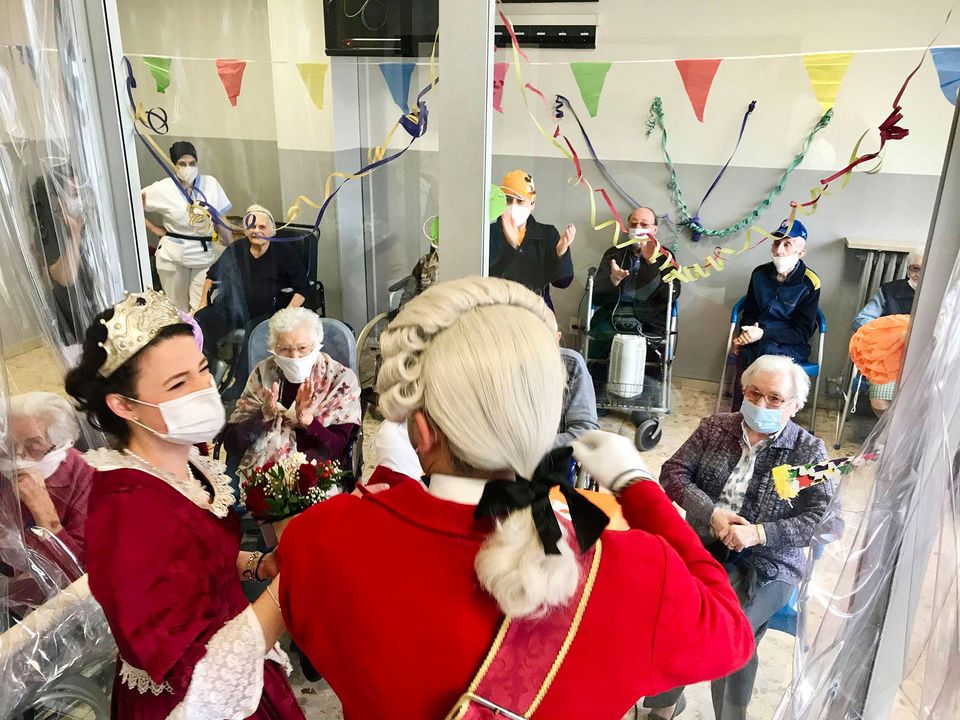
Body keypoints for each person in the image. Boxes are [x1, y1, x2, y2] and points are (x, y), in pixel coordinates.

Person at [278, 277, 753, 719]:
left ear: (420, 432)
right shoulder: (636, 572)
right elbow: (731, 634)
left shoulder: (320, 539)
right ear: (546, 420)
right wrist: (637, 487)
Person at [64, 290, 303, 719]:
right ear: (123, 405)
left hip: (244, 660)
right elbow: (198, 677)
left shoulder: (185, 461)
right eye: (178, 384)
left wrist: (258, 566)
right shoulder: (126, 513)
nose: (203, 388)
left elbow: (194, 561)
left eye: (203, 369)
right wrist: (294, 584)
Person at [646, 354, 833, 720]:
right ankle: (664, 704)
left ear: (795, 406)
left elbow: (823, 520)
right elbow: (673, 473)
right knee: (670, 608)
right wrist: (712, 513)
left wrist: (759, 533)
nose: (761, 404)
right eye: (754, 392)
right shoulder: (716, 427)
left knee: (730, 631)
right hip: (703, 545)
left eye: (775, 398)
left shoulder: (808, 452)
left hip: (768, 562)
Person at [224, 307, 361, 481]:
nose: (294, 356)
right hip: (263, 474)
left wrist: (309, 421)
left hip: (317, 476)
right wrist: (262, 416)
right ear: (274, 348)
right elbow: (232, 444)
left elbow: (339, 449)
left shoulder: (340, 380)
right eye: (284, 349)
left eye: (302, 348)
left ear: (316, 344)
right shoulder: (262, 374)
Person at [194, 204, 308, 394]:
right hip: (231, 309)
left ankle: (241, 384)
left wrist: (286, 314)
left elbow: (302, 289)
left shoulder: (285, 253)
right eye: (252, 226)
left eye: (262, 227)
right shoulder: (236, 249)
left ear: (272, 231)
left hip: (267, 311)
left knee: (255, 331)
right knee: (201, 320)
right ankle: (206, 372)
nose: (256, 231)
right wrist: (202, 303)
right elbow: (211, 276)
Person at [3, 392, 93, 612]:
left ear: (61, 446)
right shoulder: (4, 469)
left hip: (61, 607)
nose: (18, 457)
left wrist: (44, 513)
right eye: (10, 446)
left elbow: (82, 579)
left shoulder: (87, 480)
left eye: (33, 447)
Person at [141, 141, 233, 312]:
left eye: (192, 163)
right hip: (173, 256)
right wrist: (154, 229)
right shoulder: (162, 188)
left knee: (201, 308)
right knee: (177, 310)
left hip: (204, 255)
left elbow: (220, 217)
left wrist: (231, 245)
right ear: (173, 165)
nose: (188, 168)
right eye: (182, 164)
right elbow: (132, 204)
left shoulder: (210, 184)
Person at [590, 206, 680, 361]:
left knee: (645, 359)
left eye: (644, 224)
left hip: (649, 320)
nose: (638, 228)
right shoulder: (614, 253)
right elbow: (596, 297)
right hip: (612, 315)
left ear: (654, 229)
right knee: (598, 352)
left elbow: (670, 296)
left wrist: (650, 263)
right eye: (633, 224)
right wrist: (613, 280)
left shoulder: (665, 257)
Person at [734, 218, 820, 368]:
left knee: (767, 354)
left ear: (801, 252)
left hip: (790, 345)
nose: (779, 250)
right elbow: (749, 313)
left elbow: (802, 333)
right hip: (758, 339)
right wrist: (747, 333)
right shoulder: (759, 274)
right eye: (776, 243)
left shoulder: (810, 283)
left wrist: (763, 333)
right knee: (747, 351)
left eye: (787, 244)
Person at [31, 171, 101, 346]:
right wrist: (74, 235)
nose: (81, 200)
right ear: (57, 202)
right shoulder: (46, 234)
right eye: (75, 194)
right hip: (69, 323)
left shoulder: (88, 228)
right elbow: (64, 277)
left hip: (91, 313)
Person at [852, 246, 924, 415]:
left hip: (924, 360)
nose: (920, 274)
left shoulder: (944, 295)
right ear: (908, 270)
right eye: (915, 268)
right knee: (880, 401)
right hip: (889, 360)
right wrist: (890, 332)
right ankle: (889, 429)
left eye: (926, 269)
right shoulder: (889, 291)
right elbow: (861, 321)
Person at [489, 170, 575, 310]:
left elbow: (563, 283)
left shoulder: (547, 234)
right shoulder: (489, 233)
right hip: (499, 312)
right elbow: (485, 275)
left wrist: (560, 254)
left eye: (520, 201)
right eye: (508, 200)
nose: (513, 206)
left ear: (532, 203)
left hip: (537, 313)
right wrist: (512, 247)